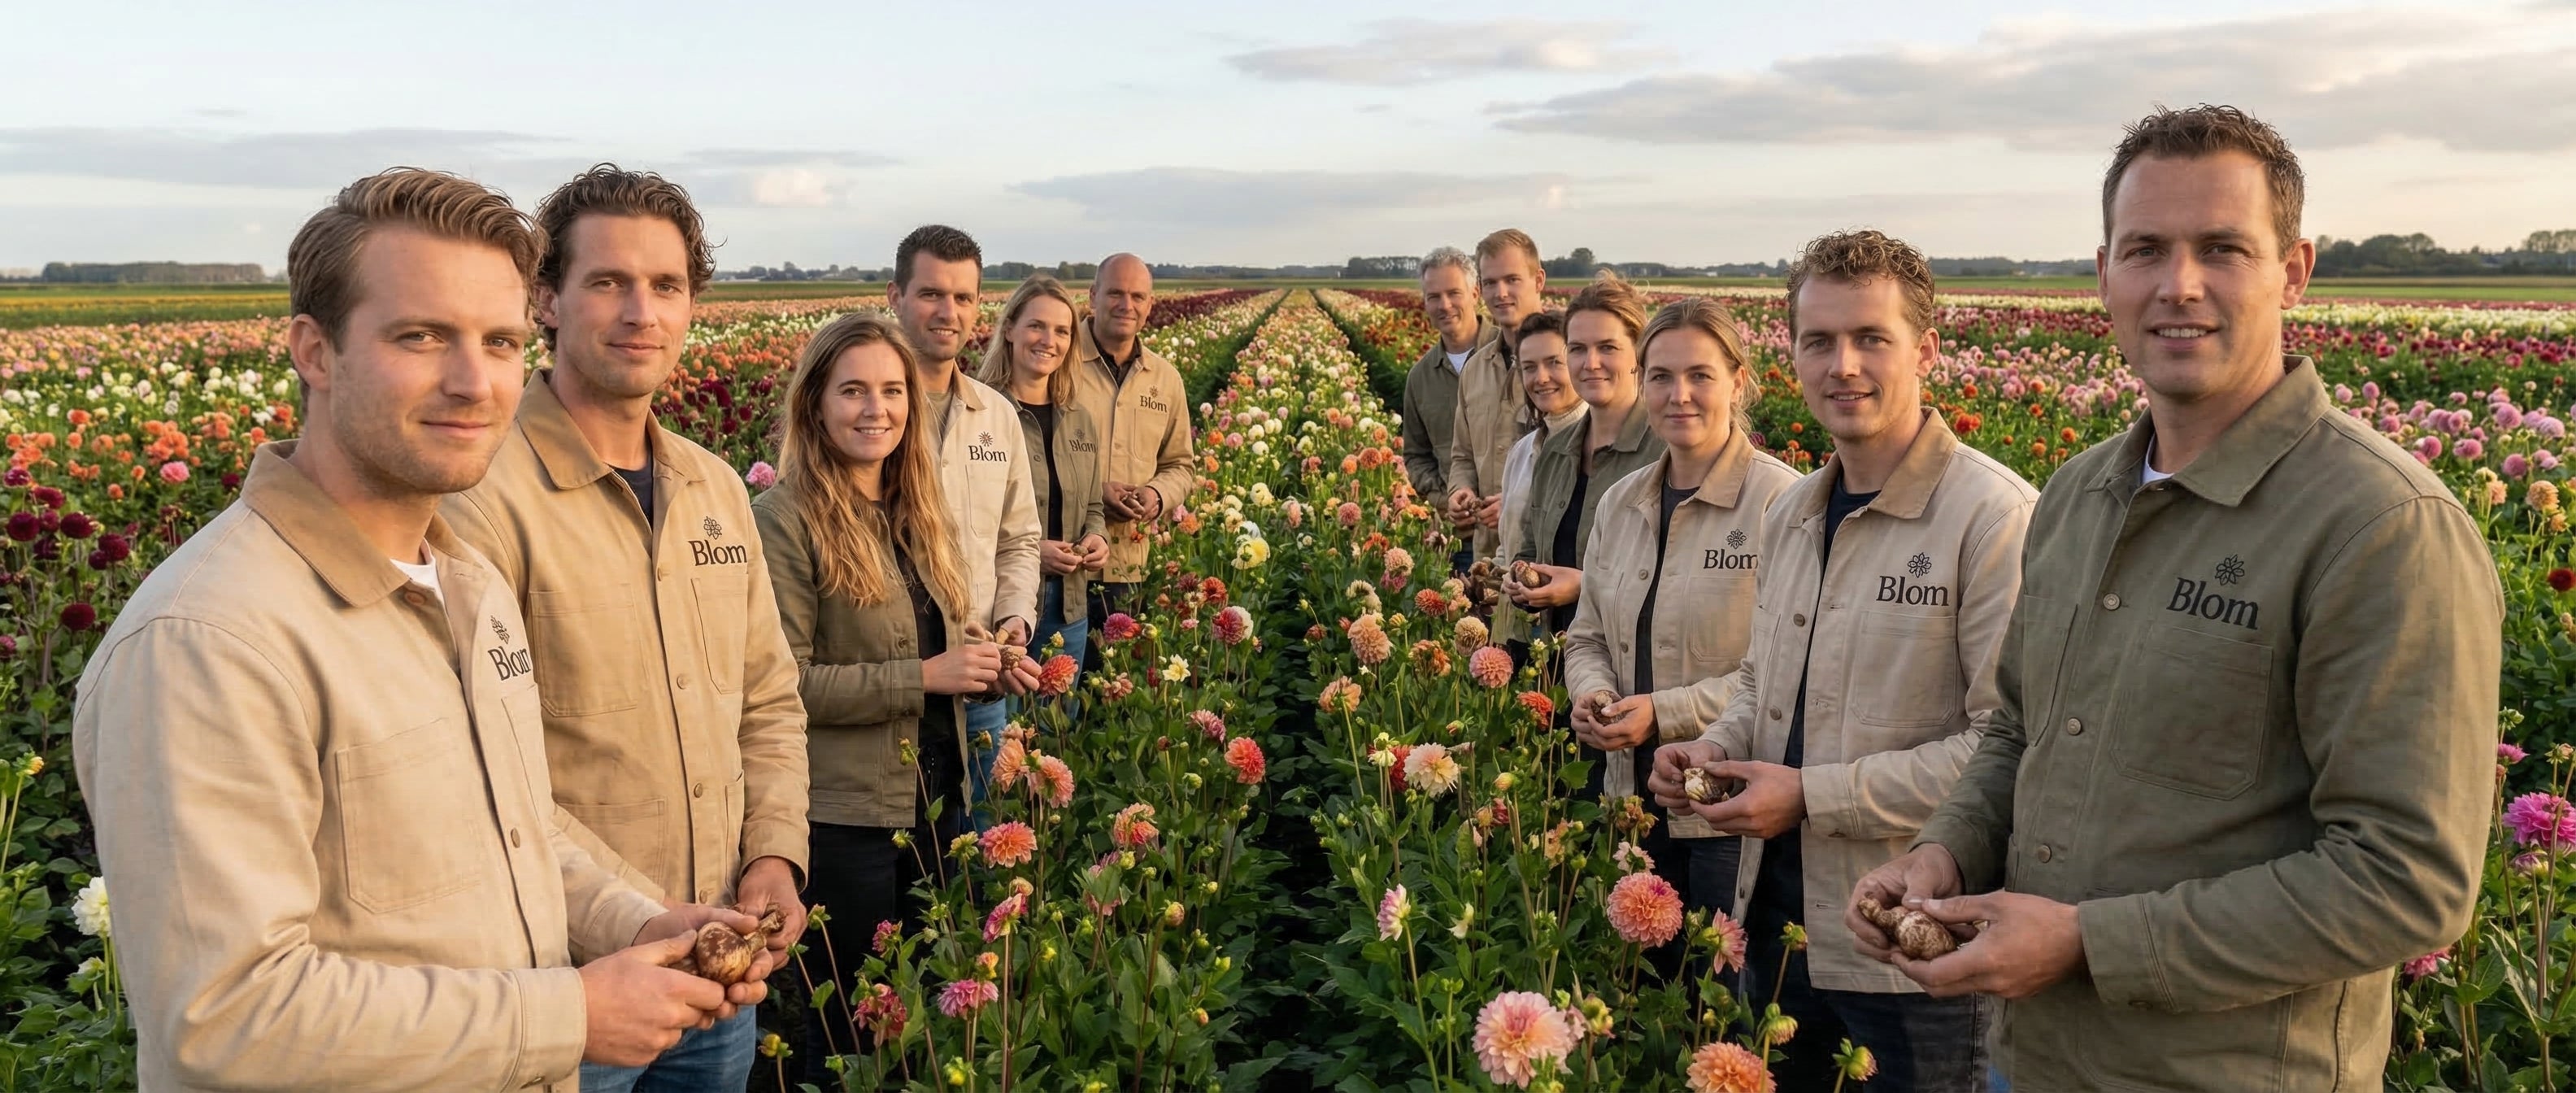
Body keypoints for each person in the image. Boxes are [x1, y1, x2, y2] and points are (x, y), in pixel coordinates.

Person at [72, 168, 770, 1091]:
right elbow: (226, 1015)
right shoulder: (209, 639)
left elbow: (518, 832)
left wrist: (637, 922)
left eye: (499, 341)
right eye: (421, 336)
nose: (473, 382)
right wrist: (570, 1015)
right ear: (315, 352)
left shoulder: (466, 586)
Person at [1847, 105, 2501, 1090]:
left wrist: (2089, 943)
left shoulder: (2381, 526)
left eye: (2223, 249)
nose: (2178, 284)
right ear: (2104, 272)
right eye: (2146, 249)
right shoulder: (2079, 494)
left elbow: (2407, 877)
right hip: (2033, 1059)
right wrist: (1945, 852)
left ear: (2294, 272)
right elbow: (2020, 732)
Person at [441, 164, 808, 1092]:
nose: (642, 312)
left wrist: (774, 853)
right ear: (546, 300)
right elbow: (477, 768)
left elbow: (767, 698)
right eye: (608, 282)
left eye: (667, 285)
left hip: (719, 963)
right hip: (568, 979)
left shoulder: (714, 487)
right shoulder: (480, 496)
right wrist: (642, 919)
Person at [1647, 231, 2037, 1091]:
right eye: (1818, 340)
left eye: (1871, 338)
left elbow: (2007, 749)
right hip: (1780, 921)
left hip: (1913, 947)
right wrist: (1715, 745)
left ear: (1925, 351)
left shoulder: (1992, 519)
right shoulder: (1793, 513)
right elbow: (1763, 685)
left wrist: (1809, 796)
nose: (1842, 365)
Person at [753, 312, 999, 1069]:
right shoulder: (785, 518)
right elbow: (782, 684)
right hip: (847, 814)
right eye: (853, 390)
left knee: (921, 1010)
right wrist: (923, 678)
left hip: (935, 794)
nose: (876, 409)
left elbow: (926, 632)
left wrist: (983, 655)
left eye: (892, 390)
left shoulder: (917, 507)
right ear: (815, 403)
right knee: (854, 1026)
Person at [1563, 298, 1795, 928]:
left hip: (1725, 803)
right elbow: (1586, 635)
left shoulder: (1781, 503)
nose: (1679, 395)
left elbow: (1787, 675)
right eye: (1661, 376)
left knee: (1719, 973)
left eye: (1700, 375)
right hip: (1627, 792)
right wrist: (1592, 693)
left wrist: (1663, 713)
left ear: (1737, 382)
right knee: (1636, 971)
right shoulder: (1621, 502)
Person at [885, 226, 1043, 803]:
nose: (947, 312)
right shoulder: (867, 412)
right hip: (894, 683)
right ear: (895, 297)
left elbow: (1019, 538)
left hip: (982, 677)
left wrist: (1015, 620)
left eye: (962, 297)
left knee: (979, 831)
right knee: (908, 842)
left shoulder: (996, 415)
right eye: (931, 293)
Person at [1508, 272, 1664, 638]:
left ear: (1637, 354)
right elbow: (1531, 545)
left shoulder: (1663, 452)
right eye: (1577, 349)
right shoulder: (1556, 450)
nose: (1590, 363)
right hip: (1557, 652)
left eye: (1607, 347)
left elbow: (1680, 573)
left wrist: (1584, 585)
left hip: (1629, 659)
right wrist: (1521, 577)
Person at [977, 276, 1108, 674]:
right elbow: (964, 521)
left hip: (1069, 605)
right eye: (1036, 326)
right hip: (999, 608)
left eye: (1062, 331)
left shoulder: (1080, 419)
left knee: (1059, 712)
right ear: (1010, 329)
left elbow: (1093, 505)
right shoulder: (980, 413)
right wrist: (1035, 553)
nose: (1049, 341)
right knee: (1002, 713)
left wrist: (1097, 536)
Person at [1070, 253, 1196, 646]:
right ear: (1093, 296)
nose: (1127, 305)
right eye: (1115, 293)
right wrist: (1094, 495)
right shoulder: (1060, 361)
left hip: (1130, 565)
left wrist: (1156, 495)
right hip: (1065, 559)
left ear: (1149, 305)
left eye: (1138, 296)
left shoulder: (1165, 379)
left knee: (1118, 673)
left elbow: (1181, 464)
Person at [1447, 229, 1547, 560]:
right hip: (1487, 556)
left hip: (1543, 559)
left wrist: (1518, 502)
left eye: (1512, 280)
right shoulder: (1475, 369)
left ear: (1539, 280)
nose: (1500, 293)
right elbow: (1463, 455)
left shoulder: (1567, 364)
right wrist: (1460, 490)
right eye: (1490, 283)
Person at [1490, 311, 1585, 655]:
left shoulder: (1597, 449)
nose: (1541, 378)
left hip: (1576, 636)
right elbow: (1509, 542)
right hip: (1521, 629)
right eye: (1529, 367)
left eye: (1554, 363)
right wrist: (1496, 577)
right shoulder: (1523, 451)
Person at [1399, 246, 1496, 569]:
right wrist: (1444, 502)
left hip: (1519, 536)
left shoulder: (1513, 355)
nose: (1444, 305)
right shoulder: (1420, 377)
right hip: (1460, 540)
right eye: (1434, 297)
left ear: (1475, 293)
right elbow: (1416, 456)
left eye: (1454, 293)